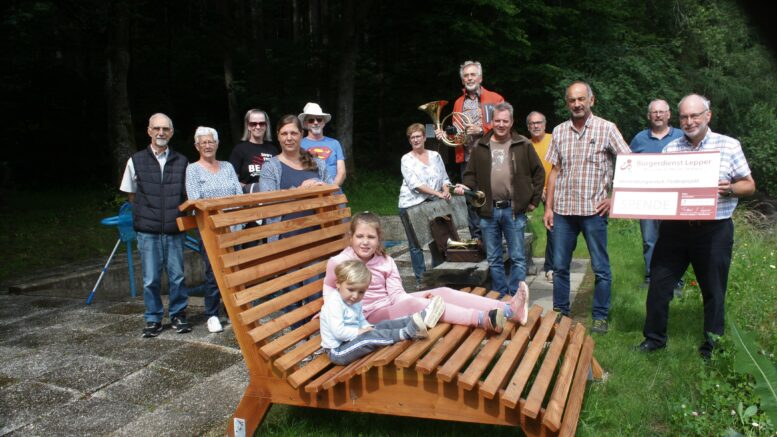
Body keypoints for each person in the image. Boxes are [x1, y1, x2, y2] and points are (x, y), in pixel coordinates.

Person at [637, 94, 755, 359]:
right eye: (684, 117)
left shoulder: (729, 145)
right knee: (659, 283)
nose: (689, 122)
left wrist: (731, 188)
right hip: (675, 230)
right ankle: (654, 339)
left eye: (695, 116)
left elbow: (749, 184)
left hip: (714, 230)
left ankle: (712, 345)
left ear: (707, 116)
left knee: (713, 290)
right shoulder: (671, 149)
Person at [323, 212, 530, 334]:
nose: (365, 242)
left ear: (379, 239)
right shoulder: (340, 262)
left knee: (442, 292)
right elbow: (329, 285)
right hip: (369, 317)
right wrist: (330, 308)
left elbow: (397, 295)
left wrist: (422, 296)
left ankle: (509, 309)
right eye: (359, 236)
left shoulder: (385, 261)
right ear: (350, 237)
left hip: (391, 305)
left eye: (371, 237)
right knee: (415, 304)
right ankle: (480, 319)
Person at [543, 81, 631, 334]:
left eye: (581, 99)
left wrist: (615, 197)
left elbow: (628, 160)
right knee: (560, 267)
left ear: (591, 101)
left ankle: (600, 317)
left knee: (601, 268)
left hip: (594, 211)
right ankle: (561, 312)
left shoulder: (607, 128)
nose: (577, 104)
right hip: (563, 212)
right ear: (567, 103)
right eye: (572, 100)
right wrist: (548, 208)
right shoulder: (559, 131)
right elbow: (555, 171)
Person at [455, 103, 545, 297]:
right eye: (497, 120)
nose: (501, 124)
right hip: (489, 211)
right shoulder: (481, 146)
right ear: (491, 122)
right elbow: (470, 174)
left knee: (518, 258)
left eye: (505, 120)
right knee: (494, 258)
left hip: (514, 210)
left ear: (511, 122)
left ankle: (515, 296)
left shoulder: (523, 144)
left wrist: (533, 201)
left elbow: (539, 173)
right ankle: (500, 296)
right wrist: (466, 186)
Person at [120, 113, 190, 338]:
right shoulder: (135, 160)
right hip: (148, 231)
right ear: (149, 131)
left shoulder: (182, 161)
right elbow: (131, 194)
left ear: (171, 132)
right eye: (157, 129)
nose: (161, 133)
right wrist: (147, 215)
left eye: (166, 129)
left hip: (173, 229)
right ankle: (153, 318)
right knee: (150, 278)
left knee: (177, 276)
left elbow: (186, 193)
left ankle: (179, 315)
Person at [437, 60, 505, 243]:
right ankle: (477, 240)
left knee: (493, 197)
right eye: (466, 75)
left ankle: (496, 238)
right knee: (470, 199)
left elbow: (503, 126)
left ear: (480, 77)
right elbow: (456, 133)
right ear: (462, 80)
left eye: (472, 74)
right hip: (467, 159)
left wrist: (481, 130)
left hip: (491, 157)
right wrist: (446, 133)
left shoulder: (495, 99)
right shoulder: (459, 102)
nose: (469, 78)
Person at [320, 260, 433, 365]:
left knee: (381, 325)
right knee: (368, 338)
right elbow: (338, 332)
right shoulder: (334, 303)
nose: (355, 296)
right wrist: (362, 332)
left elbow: (361, 320)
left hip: (351, 340)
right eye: (351, 289)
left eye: (361, 292)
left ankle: (416, 319)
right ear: (338, 284)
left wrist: (367, 327)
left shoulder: (354, 300)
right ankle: (406, 333)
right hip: (338, 351)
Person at [185, 126, 242, 333]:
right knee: (213, 272)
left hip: (232, 227)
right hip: (209, 231)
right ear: (197, 146)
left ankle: (232, 310)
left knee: (233, 270)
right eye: (203, 142)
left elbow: (238, 195)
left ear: (217, 144)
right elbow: (195, 201)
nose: (208, 145)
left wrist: (236, 222)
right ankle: (212, 314)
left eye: (211, 142)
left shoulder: (227, 166)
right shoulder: (192, 169)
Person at [629, 99, 684, 286]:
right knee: (650, 240)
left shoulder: (682, 136)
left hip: (675, 199)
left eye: (662, 112)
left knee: (675, 239)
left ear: (669, 114)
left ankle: (675, 279)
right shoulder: (639, 139)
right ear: (648, 116)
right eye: (654, 112)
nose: (658, 115)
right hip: (647, 200)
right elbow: (627, 167)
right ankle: (651, 276)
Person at [398, 123, 451, 288]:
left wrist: (446, 191)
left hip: (433, 204)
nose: (415, 139)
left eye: (418, 136)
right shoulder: (406, 159)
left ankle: (438, 276)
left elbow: (444, 178)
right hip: (411, 205)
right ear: (409, 140)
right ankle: (422, 281)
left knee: (437, 242)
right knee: (415, 245)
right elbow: (415, 184)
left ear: (424, 137)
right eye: (412, 137)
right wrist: (437, 194)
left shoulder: (435, 155)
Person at [526, 111, 555, 283]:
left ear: (544, 124)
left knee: (553, 228)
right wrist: (536, 189)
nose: (535, 126)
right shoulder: (525, 145)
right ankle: (524, 263)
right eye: (532, 123)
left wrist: (549, 189)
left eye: (538, 123)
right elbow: (522, 171)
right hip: (534, 190)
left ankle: (551, 266)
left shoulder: (554, 139)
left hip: (555, 190)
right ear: (528, 127)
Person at [229, 108, 280, 191]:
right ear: (248, 126)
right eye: (253, 124)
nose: (258, 127)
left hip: (272, 196)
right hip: (249, 198)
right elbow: (232, 180)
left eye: (262, 123)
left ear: (266, 125)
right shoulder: (239, 150)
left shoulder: (273, 150)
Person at [299, 102, 346, 188]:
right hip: (310, 193)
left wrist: (331, 188)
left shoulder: (335, 143)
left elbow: (342, 172)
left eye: (319, 119)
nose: (316, 122)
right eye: (311, 120)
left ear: (323, 122)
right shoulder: (299, 144)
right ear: (306, 124)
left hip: (334, 191)